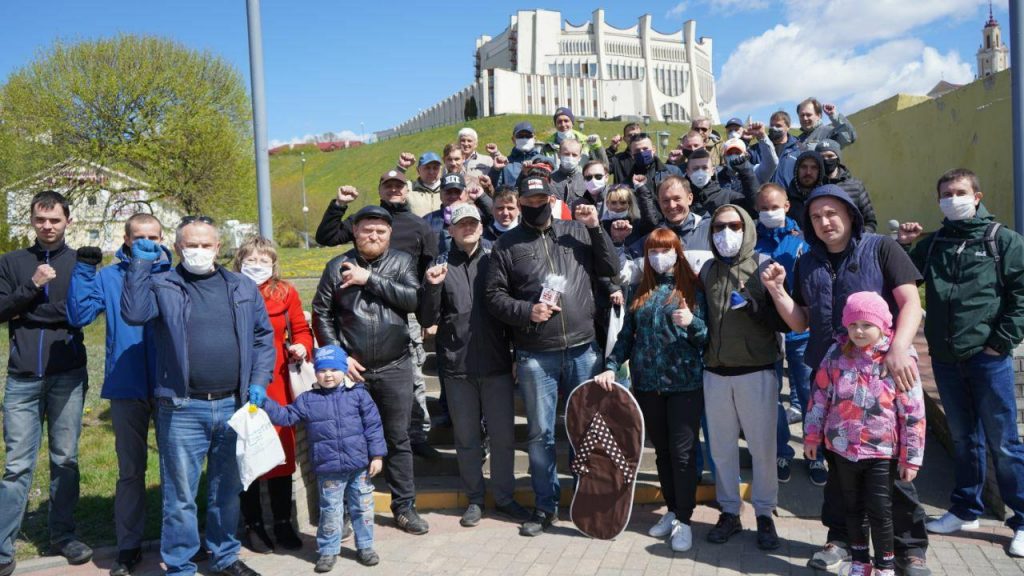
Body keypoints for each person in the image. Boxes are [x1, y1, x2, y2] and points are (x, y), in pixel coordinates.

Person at [760, 184, 932, 575]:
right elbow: (801, 320)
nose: (824, 221)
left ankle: (909, 549)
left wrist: (898, 349)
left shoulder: (881, 249)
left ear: (851, 214)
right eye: (816, 216)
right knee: (840, 472)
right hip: (832, 377)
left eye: (832, 212)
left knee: (893, 474)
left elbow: (911, 303)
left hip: (884, 377)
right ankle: (839, 541)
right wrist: (775, 291)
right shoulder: (807, 262)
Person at [122, 217, 274, 576]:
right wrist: (139, 265)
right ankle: (180, 565)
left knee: (226, 490)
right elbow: (134, 313)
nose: (199, 251)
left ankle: (224, 556)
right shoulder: (164, 285)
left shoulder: (241, 287)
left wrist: (259, 379)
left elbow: (262, 337)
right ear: (177, 248)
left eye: (206, 245)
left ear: (219, 248)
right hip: (182, 406)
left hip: (233, 404)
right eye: (191, 245)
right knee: (180, 497)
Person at [898, 168, 1024, 557]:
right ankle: (965, 508)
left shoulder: (1003, 241)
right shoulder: (934, 244)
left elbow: (1020, 296)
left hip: (988, 360)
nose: (953, 199)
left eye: (960, 192)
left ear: (978, 195)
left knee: (1004, 442)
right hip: (947, 360)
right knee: (964, 438)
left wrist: (999, 344)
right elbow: (902, 277)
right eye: (946, 194)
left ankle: (1021, 519)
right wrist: (904, 244)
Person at [485, 175, 619, 537]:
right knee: (541, 433)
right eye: (528, 200)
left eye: (541, 198)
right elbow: (494, 296)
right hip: (535, 354)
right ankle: (546, 506)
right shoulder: (506, 245)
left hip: (582, 349)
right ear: (520, 201)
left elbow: (609, 268)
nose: (535, 204)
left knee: (588, 430)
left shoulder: (576, 231)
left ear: (551, 197)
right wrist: (526, 311)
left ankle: (588, 499)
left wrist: (596, 229)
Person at [311, 205, 429, 535]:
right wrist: (339, 357)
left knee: (398, 438)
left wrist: (370, 279)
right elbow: (321, 313)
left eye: (380, 230)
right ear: (355, 232)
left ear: (389, 234)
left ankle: (404, 506)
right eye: (366, 230)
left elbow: (413, 300)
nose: (373, 235)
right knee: (350, 440)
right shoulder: (336, 266)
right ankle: (350, 509)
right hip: (352, 371)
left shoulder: (403, 262)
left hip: (395, 367)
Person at [67, 213, 170, 576]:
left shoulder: (173, 275)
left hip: (170, 385)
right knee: (130, 471)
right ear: (126, 239)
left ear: (162, 238)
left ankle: (179, 542)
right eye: (139, 236)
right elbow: (79, 315)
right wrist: (82, 271)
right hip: (126, 386)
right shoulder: (110, 277)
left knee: (177, 470)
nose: (146, 242)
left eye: (153, 237)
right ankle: (128, 547)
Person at [594, 228, 708, 553]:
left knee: (683, 454)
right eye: (653, 251)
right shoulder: (639, 291)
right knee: (662, 453)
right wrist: (611, 366)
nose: (659, 256)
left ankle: (685, 520)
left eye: (665, 250)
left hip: (685, 385)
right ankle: (672, 511)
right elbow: (626, 337)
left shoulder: (692, 288)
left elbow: (707, 338)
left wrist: (693, 323)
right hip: (648, 387)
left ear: (677, 251)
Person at [313, 170, 439, 459]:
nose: (394, 191)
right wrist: (339, 206)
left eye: (399, 186)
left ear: (406, 191)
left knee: (413, 386)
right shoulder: (366, 218)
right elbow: (326, 236)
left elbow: (429, 268)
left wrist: (430, 313)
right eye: (388, 186)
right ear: (381, 189)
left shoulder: (419, 226)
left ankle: (416, 436)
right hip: (358, 311)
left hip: (402, 308)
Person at [420, 203, 531, 527]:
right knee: (467, 438)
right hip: (457, 367)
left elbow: (511, 311)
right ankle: (475, 499)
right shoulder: (440, 266)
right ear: (451, 230)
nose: (467, 228)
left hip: (497, 363)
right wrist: (432, 287)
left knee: (502, 437)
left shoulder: (497, 259)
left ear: (482, 227)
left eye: (473, 223)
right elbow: (427, 318)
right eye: (461, 224)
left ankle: (505, 497)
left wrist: (515, 355)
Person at [0, 191, 91, 575]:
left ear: (67, 220)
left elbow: (82, 315)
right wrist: (32, 287)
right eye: (41, 219)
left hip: (67, 374)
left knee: (65, 459)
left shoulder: (78, 264)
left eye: (54, 219)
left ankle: (63, 534)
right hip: (22, 376)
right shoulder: (12, 262)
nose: (47, 226)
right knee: (17, 464)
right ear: (32, 221)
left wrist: (30, 314)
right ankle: (3, 549)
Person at [804, 291, 926, 576]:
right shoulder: (836, 354)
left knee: (881, 511)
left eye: (867, 325)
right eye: (853, 324)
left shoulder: (898, 359)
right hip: (843, 448)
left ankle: (885, 566)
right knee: (852, 507)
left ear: (883, 325)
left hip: (881, 452)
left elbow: (913, 412)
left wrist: (911, 458)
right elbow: (820, 396)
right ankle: (860, 562)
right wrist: (811, 435)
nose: (859, 331)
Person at [248, 345, 386, 573]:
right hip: (328, 469)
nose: (328, 375)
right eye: (322, 370)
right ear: (315, 373)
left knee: (362, 509)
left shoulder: (359, 394)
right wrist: (265, 402)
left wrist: (377, 455)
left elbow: (373, 425)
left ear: (344, 370)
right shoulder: (307, 400)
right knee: (330, 512)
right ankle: (328, 551)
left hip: (359, 467)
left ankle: (366, 547)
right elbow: (286, 416)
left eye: (334, 369)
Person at [700, 204, 788, 551]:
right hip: (716, 372)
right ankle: (729, 511)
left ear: (747, 227)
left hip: (757, 371)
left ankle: (765, 514)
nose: (726, 233)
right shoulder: (707, 269)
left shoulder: (764, 266)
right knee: (721, 450)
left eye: (734, 225)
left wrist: (757, 305)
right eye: (719, 227)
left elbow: (785, 321)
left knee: (763, 448)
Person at [231, 237, 313, 554]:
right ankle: (253, 525)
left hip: (276, 381)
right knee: (245, 451)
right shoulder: (228, 288)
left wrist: (301, 346)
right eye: (251, 258)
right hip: (238, 379)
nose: (257, 265)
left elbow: (300, 328)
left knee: (281, 453)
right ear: (239, 260)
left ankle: (282, 522)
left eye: (264, 259)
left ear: (274, 263)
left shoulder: (285, 291)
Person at [750, 184, 821, 486]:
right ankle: (781, 451)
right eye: (763, 208)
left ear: (787, 206)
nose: (769, 212)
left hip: (801, 331)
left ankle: (815, 452)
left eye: (774, 206)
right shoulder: (750, 239)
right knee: (772, 395)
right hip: (766, 331)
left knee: (808, 393)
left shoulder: (803, 241)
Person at [423, 172, 493, 257]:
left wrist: (482, 197)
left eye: (457, 192)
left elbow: (497, 218)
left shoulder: (477, 215)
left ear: (466, 194)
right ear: (441, 195)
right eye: (449, 192)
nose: (453, 196)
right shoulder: (428, 220)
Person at [816, 139, 878, 233]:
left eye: (830, 156)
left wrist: (858, 239)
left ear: (838, 158)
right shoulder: (814, 186)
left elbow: (870, 221)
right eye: (822, 157)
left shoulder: (856, 186)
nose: (826, 160)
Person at [685, 148, 754, 218]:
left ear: (712, 171)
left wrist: (746, 173)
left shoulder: (729, 198)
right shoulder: (682, 200)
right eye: (695, 169)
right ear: (687, 172)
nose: (700, 172)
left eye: (704, 168)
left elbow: (754, 211)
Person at [541, 106, 606, 167]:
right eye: (559, 122)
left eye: (566, 121)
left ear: (572, 123)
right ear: (555, 125)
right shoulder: (547, 146)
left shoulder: (586, 142)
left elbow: (604, 166)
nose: (563, 125)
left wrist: (597, 146)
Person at [493, 121, 544, 187]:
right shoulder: (505, 164)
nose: (524, 139)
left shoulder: (544, 161)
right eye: (520, 136)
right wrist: (495, 170)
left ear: (535, 138)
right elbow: (495, 189)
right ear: (513, 139)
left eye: (528, 136)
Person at [396, 151, 443, 216]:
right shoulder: (409, 188)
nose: (431, 172)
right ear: (418, 170)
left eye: (435, 168)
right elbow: (393, 187)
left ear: (441, 169)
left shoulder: (448, 189)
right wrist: (401, 168)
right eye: (427, 168)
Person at [767, 110, 804, 189]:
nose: (774, 128)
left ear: (788, 127)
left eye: (778, 126)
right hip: (764, 197)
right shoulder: (761, 147)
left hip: (789, 197)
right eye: (772, 125)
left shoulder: (799, 149)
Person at [550, 138, 585, 204]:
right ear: (559, 154)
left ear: (580, 157)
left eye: (574, 155)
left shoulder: (586, 180)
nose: (570, 158)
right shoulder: (549, 179)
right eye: (566, 154)